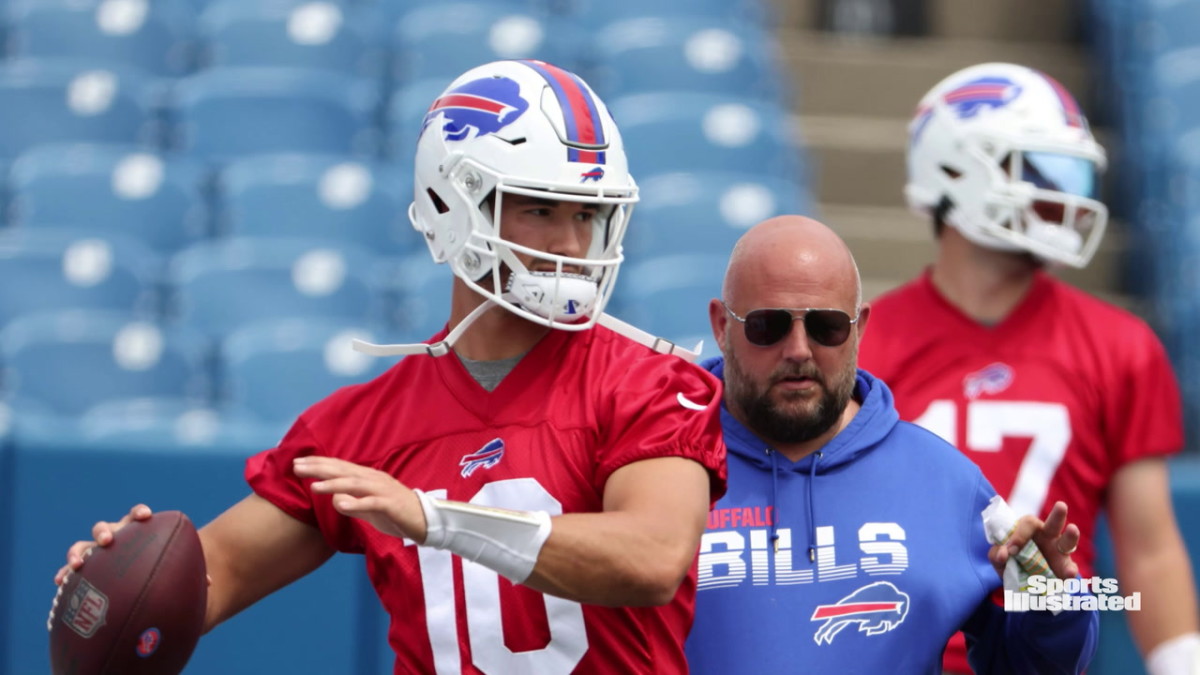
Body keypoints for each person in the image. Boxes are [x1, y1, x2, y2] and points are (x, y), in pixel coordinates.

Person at [54, 59, 727, 674]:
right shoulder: (364, 426)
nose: (573, 243)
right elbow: (212, 575)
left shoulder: (652, 382)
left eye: (587, 213)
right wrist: (116, 585)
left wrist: (436, 519)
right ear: (452, 204)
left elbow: (652, 556)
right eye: (541, 208)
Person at [858, 62, 1200, 675]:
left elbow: (1148, 549)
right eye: (1039, 171)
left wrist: (1182, 661)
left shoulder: (1120, 345)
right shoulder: (865, 342)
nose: (1065, 197)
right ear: (956, 171)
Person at [685, 215, 1099, 674]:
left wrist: (1053, 604)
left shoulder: (945, 482)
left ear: (859, 328)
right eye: (767, 326)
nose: (799, 349)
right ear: (722, 325)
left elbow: (1035, 668)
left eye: (827, 327)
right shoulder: (660, 464)